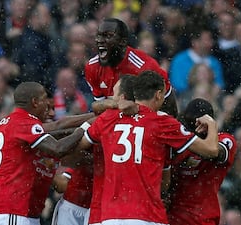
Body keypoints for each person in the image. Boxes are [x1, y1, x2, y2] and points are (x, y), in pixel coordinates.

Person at [75, 71, 219, 225]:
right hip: (147, 215)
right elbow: (211, 149)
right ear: (158, 95)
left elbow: (79, 146)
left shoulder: (108, 118)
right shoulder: (162, 123)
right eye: (164, 95)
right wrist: (211, 124)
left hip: (110, 216)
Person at [0, 82, 88, 225]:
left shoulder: (18, 129)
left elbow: (59, 182)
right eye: (46, 104)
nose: (50, 112)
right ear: (35, 102)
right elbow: (58, 145)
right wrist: (86, 127)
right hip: (11, 211)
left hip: (13, 212)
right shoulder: (24, 123)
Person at [51, 75, 136, 225]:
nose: (109, 98)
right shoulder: (141, 122)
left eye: (113, 94)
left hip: (101, 208)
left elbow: (64, 152)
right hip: (89, 204)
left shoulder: (107, 120)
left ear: (122, 97)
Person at [84, 18, 178, 117]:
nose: (100, 41)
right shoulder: (92, 67)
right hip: (113, 123)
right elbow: (101, 113)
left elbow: (170, 110)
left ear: (123, 42)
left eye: (108, 36)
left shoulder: (146, 67)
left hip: (147, 123)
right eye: (98, 35)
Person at [167, 98, 237, 225]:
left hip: (202, 219)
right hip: (172, 218)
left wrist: (210, 126)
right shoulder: (177, 141)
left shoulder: (226, 140)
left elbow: (215, 152)